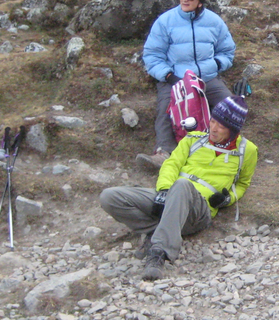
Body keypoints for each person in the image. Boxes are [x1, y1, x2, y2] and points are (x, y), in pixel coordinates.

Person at [100, 96, 257, 280]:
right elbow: (171, 165)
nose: (213, 129)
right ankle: (163, 229)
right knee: (110, 197)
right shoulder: (193, 139)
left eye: (221, 126)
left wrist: (228, 198)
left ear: (233, 130)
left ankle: (158, 253)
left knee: (183, 184)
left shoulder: (247, 150)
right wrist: (164, 190)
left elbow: (243, 184)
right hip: (170, 195)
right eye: (213, 121)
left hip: (198, 210)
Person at [140, 0, 236, 169]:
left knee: (230, 108)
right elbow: (152, 55)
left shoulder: (214, 22)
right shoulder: (165, 21)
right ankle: (164, 154)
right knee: (166, 109)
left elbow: (227, 51)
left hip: (207, 78)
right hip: (175, 79)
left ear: (200, 1)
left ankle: (224, 152)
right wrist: (169, 77)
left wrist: (216, 66)